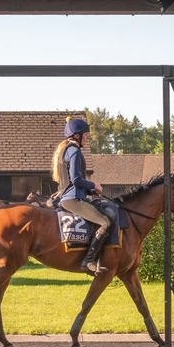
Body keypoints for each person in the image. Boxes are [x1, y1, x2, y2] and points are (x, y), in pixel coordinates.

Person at [52, 117, 110, 275]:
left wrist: (90, 191)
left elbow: (72, 182)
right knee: (105, 222)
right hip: (73, 200)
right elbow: (77, 179)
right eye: (85, 134)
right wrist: (94, 185)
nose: (87, 137)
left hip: (70, 197)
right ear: (77, 136)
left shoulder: (66, 151)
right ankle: (88, 260)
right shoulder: (75, 152)